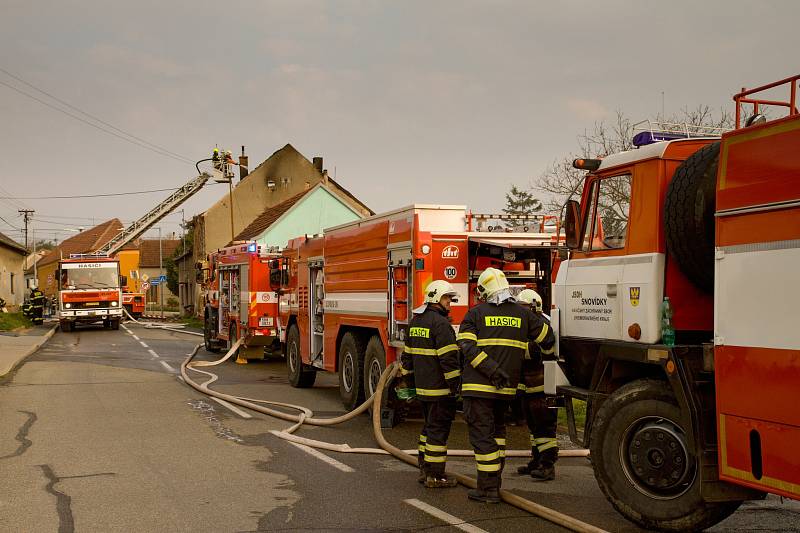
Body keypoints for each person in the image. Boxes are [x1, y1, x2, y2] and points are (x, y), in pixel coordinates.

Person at [456, 268, 556, 503]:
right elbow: (548, 339)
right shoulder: (524, 315)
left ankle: (488, 489)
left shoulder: (475, 314)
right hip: (506, 390)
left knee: (483, 438)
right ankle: (494, 480)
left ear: (483, 291)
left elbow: (468, 349)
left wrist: (492, 370)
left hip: (478, 388)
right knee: (498, 434)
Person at [398, 280, 462, 488]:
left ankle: (424, 468)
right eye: (446, 299)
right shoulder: (441, 325)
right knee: (438, 431)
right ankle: (434, 476)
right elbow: (449, 361)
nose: (449, 304)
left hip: (423, 390)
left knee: (428, 428)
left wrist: (408, 383)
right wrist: (456, 388)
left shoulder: (415, 322)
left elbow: (406, 359)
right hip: (440, 390)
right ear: (436, 299)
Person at [516, 289, 559, 481]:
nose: (521, 312)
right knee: (534, 426)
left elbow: (537, 352)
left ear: (535, 306)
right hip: (530, 385)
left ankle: (547, 465)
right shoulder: (529, 325)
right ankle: (537, 460)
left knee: (544, 427)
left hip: (544, 386)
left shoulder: (542, 325)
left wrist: (513, 350)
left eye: (524, 308)